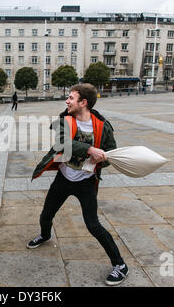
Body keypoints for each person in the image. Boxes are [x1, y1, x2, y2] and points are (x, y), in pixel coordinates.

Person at [28, 83, 128, 286]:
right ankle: (45, 235)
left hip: (86, 183)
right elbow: (62, 144)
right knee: (46, 215)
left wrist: (102, 159)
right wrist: (90, 149)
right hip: (64, 179)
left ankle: (120, 265)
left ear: (83, 103)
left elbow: (111, 153)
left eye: (71, 98)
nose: (67, 101)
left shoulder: (102, 126)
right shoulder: (65, 121)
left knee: (93, 225)